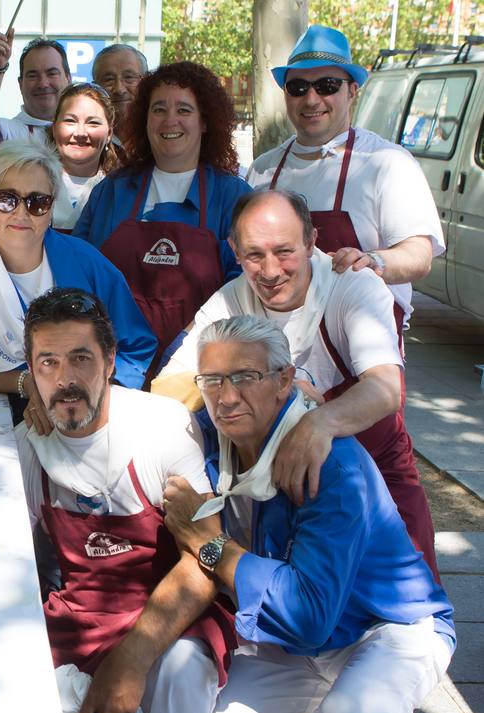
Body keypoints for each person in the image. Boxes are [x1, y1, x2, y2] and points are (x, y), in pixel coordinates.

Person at [163, 315, 453, 713]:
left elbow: (307, 614)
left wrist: (211, 548)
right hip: (300, 640)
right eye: (212, 381)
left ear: (285, 380)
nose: (226, 397)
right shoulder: (212, 442)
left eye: (245, 376)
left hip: (385, 627)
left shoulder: (330, 460)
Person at [14, 289, 235, 713]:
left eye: (81, 359)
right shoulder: (28, 446)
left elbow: (203, 560)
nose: (65, 379)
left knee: (183, 677)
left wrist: (132, 660)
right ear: (30, 372)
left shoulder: (161, 427)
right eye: (48, 363)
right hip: (85, 611)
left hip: (171, 609)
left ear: (111, 363)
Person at [155, 189, 438, 575]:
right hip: (282, 486)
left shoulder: (352, 285)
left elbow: (386, 389)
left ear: (311, 242)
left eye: (284, 251)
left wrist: (317, 422)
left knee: (407, 601)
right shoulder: (231, 299)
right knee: (297, 606)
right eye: (254, 255)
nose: (270, 271)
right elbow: (168, 386)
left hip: (373, 477)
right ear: (234, 251)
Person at [0, 140, 155, 420]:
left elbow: (136, 345)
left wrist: (89, 398)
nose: (21, 212)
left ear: (52, 209)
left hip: (91, 407)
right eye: (6, 199)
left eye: (37, 202)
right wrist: (28, 384)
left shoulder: (89, 263)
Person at [245, 24, 443, 333]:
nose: (311, 99)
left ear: (352, 91)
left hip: (362, 353)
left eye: (326, 85)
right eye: (297, 87)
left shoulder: (387, 164)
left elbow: (419, 255)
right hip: (277, 351)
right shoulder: (264, 170)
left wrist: (373, 261)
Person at [74, 61, 252, 371]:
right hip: (112, 365)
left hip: (200, 367)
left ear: (206, 122)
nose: (170, 121)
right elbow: (78, 273)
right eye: (158, 109)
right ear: (144, 119)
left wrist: (181, 355)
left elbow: (244, 287)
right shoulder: (113, 191)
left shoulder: (233, 197)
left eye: (184, 110)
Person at [49, 83, 122, 232]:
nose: (80, 133)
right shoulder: (31, 179)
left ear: (109, 133)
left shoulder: (122, 189)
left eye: (93, 123)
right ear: (54, 127)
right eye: (70, 120)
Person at [0, 34, 70, 143]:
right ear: (20, 84)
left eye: (52, 73)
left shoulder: (85, 131)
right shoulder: (7, 133)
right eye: (33, 76)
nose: (43, 84)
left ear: (68, 79)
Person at [91, 44, 147, 129]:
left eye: (129, 77)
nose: (119, 90)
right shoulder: (84, 136)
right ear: (95, 87)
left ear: (146, 81)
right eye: (109, 79)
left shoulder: (159, 133)